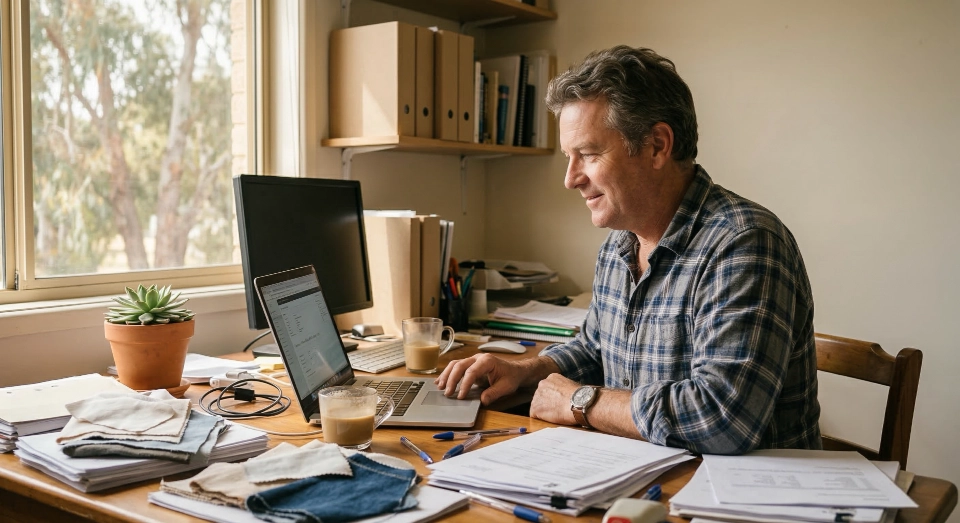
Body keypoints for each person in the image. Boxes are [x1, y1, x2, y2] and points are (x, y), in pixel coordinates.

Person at [436, 45, 821, 455]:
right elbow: (594, 349)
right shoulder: (620, 244)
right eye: (569, 158)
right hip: (643, 472)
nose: (570, 179)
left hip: (740, 500)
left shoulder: (745, 243)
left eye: (587, 154)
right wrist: (524, 371)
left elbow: (720, 418)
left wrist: (579, 401)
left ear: (657, 145)